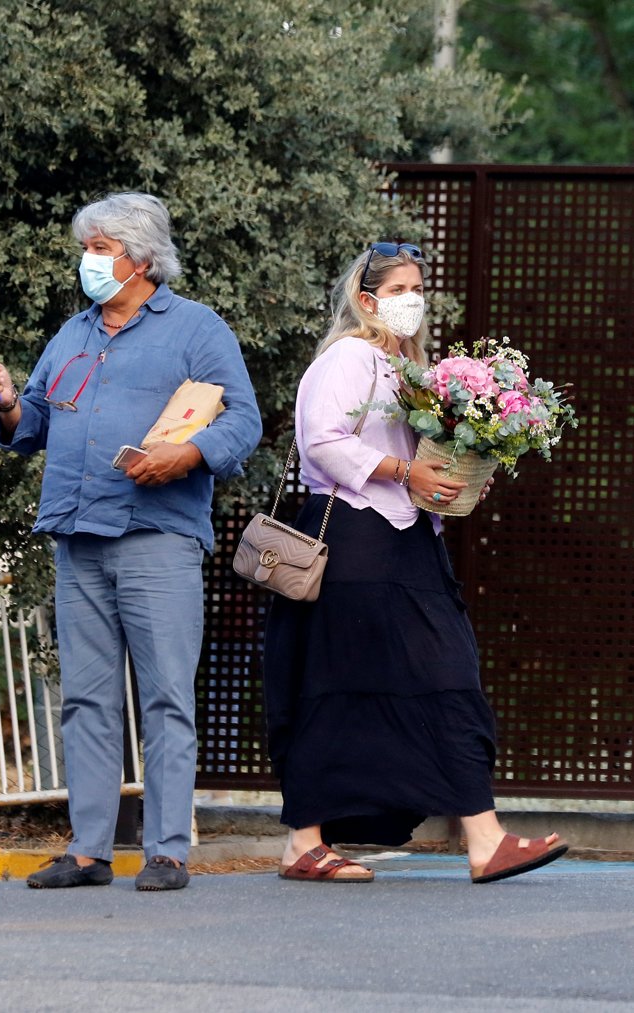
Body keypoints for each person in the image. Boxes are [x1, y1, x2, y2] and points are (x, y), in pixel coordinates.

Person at [0, 192, 262, 891]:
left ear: (142, 259)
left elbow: (243, 420)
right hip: (78, 536)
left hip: (156, 533)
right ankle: (90, 849)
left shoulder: (195, 328)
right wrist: (9, 401)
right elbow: (32, 422)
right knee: (86, 699)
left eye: (101, 248)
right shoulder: (71, 334)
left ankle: (166, 849)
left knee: (165, 694)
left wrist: (186, 457)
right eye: (89, 247)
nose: (90, 261)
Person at [263, 241, 568, 883]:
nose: (411, 300)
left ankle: (482, 839)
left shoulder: (407, 364)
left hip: (406, 540)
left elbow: (422, 457)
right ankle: (306, 842)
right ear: (365, 299)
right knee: (338, 682)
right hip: (354, 540)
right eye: (398, 289)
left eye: (416, 288)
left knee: (443, 673)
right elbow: (320, 441)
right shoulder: (347, 357)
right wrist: (406, 470)